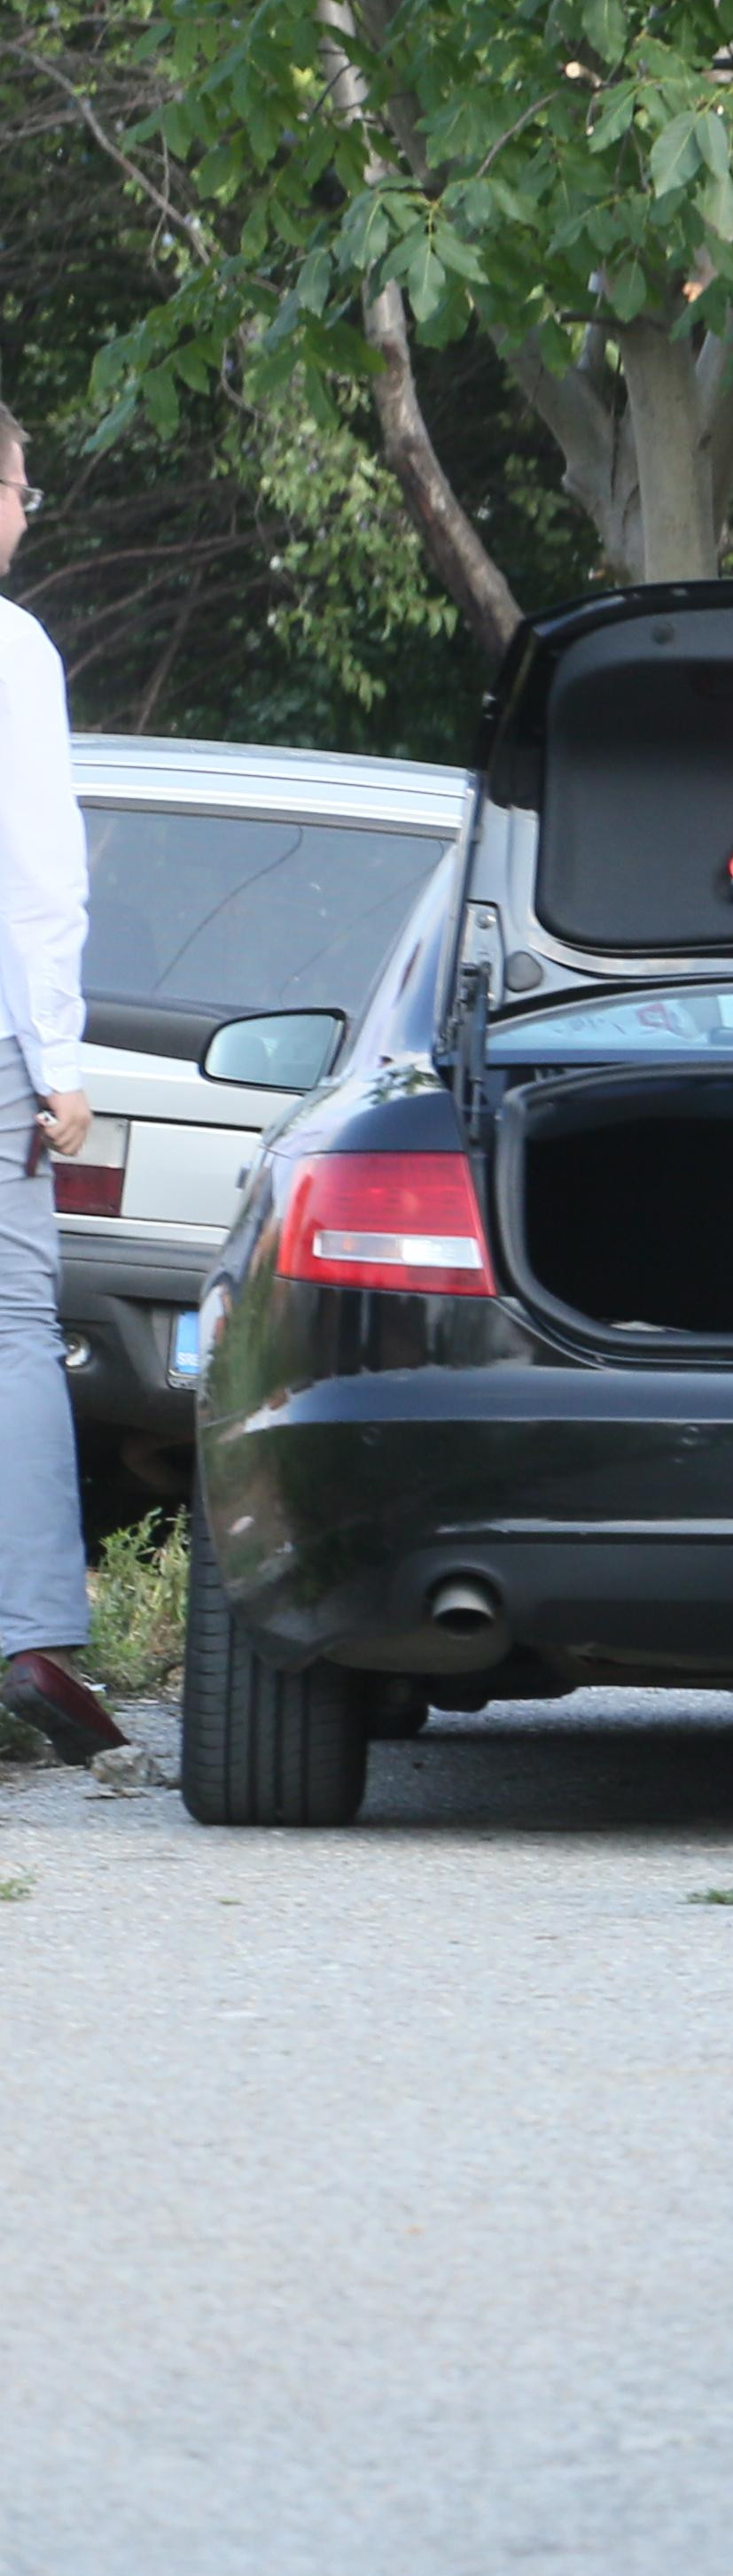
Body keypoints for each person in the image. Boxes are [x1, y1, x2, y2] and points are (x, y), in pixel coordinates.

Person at [0, 401, 131, 1772]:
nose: (30, 512)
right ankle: (36, 1631)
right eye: (26, 487)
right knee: (11, 1318)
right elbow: (38, 872)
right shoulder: (11, 651)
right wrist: (61, 1060)